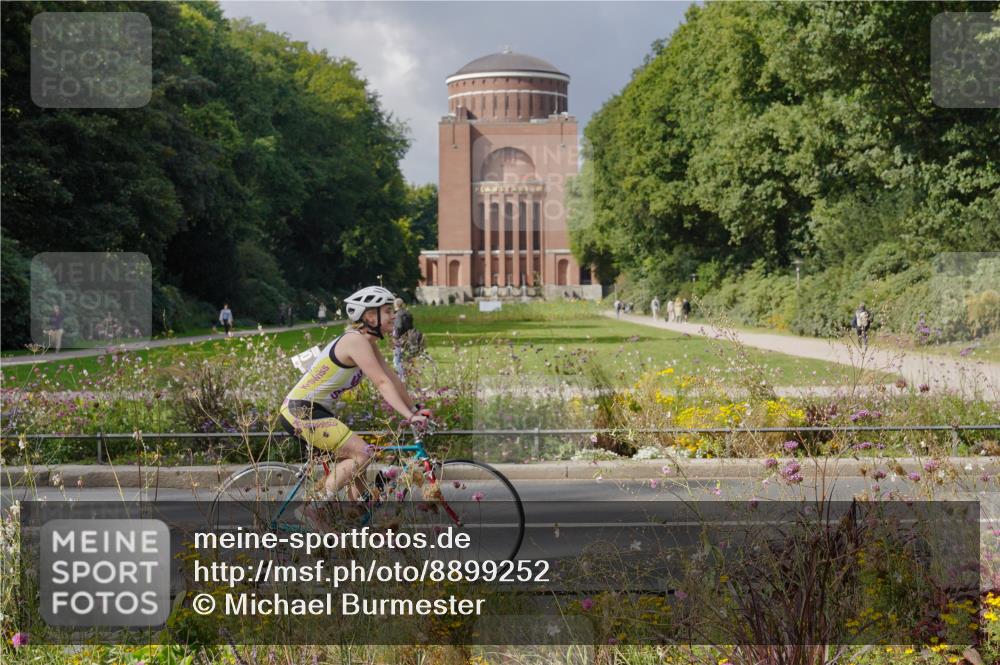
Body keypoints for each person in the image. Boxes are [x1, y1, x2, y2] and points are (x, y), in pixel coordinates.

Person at [279, 286, 431, 504]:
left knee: (360, 485)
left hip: (315, 411)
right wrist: (409, 416)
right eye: (388, 311)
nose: (394, 315)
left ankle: (354, 519)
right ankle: (314, 507)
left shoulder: (367, 343)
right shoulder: (355, 341)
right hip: (301, 411)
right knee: (364, 453)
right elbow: (382, 383)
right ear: (370, 316)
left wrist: (415, 409)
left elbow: (393, 379)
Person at [392, 297, 414, 379]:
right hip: (409, 337)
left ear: (396, 305)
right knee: (405, 358)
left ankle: (401, 378)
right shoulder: (408, 313)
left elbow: (399, 327)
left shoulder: (398, 315)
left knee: (396, 360)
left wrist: (395, 338)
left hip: (400, 339)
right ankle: (406, 375)